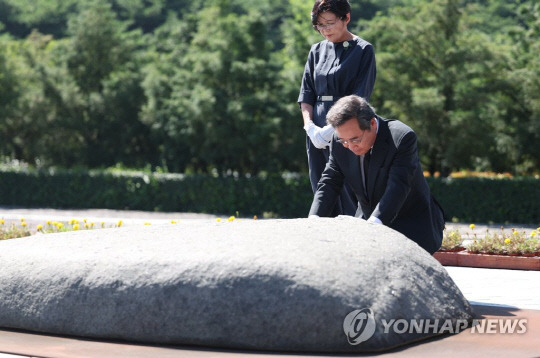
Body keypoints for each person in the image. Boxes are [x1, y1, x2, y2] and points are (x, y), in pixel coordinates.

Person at [309, 95, 445, 254]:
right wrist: (313, 221)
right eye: (344, 141)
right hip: (368, 222)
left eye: (355, 140)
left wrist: (373, 226)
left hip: (411, 225)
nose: (350, 147)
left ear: (372, 124)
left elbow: (397, 187)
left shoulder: (400, 137)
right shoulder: (339, 141)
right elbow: (330, 182)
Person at [298, 0, 376, 217]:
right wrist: (310, 127)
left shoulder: (363, 50)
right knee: (320, 185)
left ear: (346, 18)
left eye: (330, 23)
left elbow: (361, 95)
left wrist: (334, 130)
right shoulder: (316, 50)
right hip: (316, 129)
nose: (325, 30)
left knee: (348, 188)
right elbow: (306, 94)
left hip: (348, 129)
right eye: (320, 25)